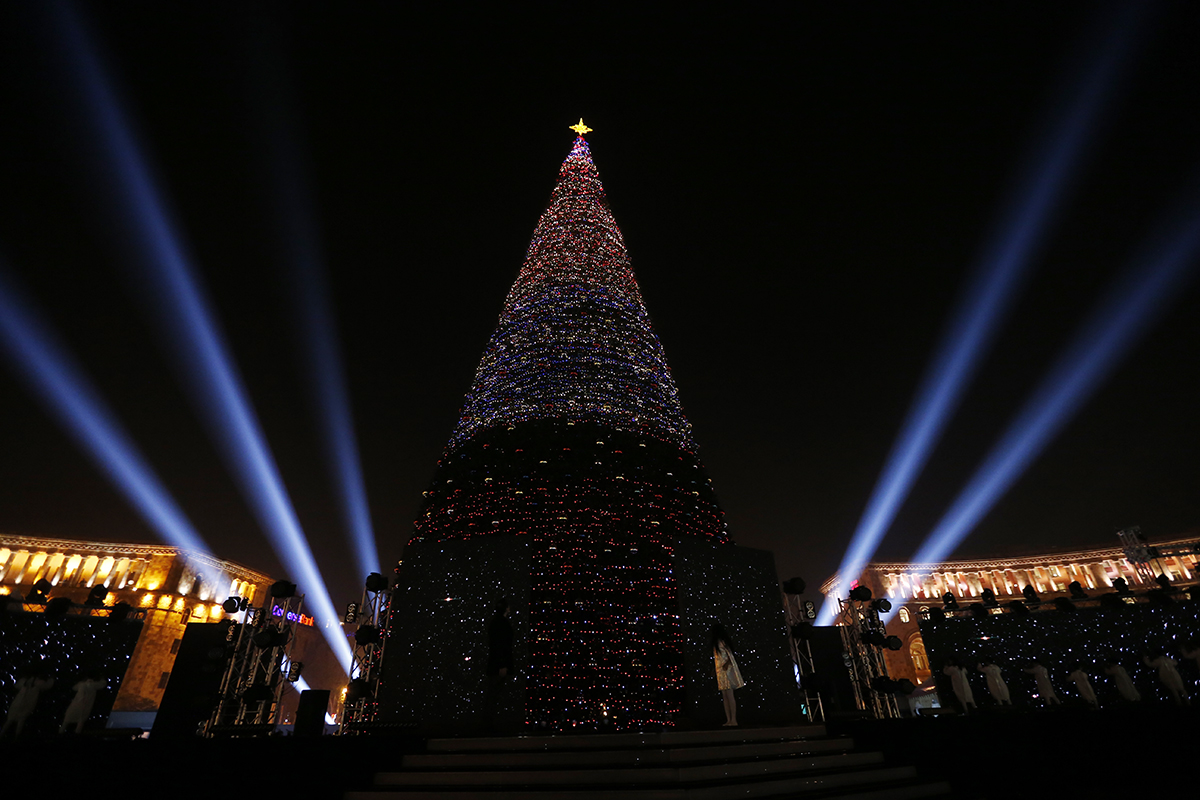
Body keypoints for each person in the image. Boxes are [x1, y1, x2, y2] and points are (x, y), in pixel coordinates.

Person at [483, 597, 513, 732]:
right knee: (495, 695)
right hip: (498, 665)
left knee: (494, 695)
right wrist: (502, 664)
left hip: (496, 664)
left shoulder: (496, 623)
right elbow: (500, 645)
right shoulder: (501, 623)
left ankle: (491, 724)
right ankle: (491, 725)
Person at [2, 667, 54, 738]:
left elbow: (16, 686)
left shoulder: (25, 681)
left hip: (20, 703)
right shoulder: (38, 683)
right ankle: (15, 738)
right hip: (26, 704)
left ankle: (4, 736)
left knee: (10, 721)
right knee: (20, 721)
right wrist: (52, 679)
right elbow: (47, 686)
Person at [712, 624, 743, 726]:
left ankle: (734, 719)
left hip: (727, 670)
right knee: (725, 696)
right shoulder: (716, 643)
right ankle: (729, 720)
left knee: (729, 695)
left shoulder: (723, 642)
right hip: (721, 672)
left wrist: (727, 664)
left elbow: (730, 656)